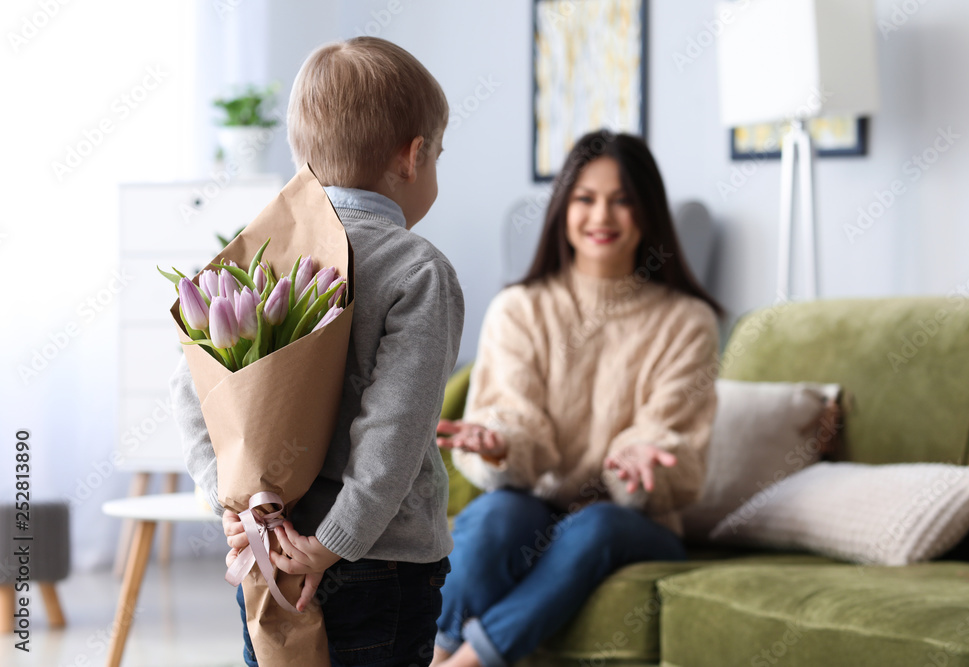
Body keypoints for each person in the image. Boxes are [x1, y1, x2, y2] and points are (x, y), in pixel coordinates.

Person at [169, 37, 463, 667]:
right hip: (378, 560)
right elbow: (397, 426)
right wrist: (336, 540)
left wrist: (227, 504)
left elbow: (194, 391)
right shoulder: (418, 270)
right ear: (412, 158)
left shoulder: (258, 256)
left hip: (266, 548)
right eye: (438, 154)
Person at [433, 131, 721, 667]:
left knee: (596, 523)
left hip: (634, 524)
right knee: (498, 517)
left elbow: (675, 437)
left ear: (648, 211)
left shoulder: (687, 321)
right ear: (564, 208)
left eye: (622, 199)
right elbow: (515, 416)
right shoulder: (519, 308)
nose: (602, 216)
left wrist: (639, 458)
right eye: (586, 198)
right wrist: (500, 442)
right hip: (532, 504)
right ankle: (431, 651)